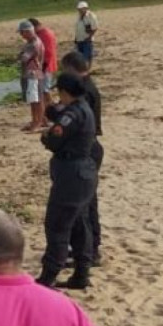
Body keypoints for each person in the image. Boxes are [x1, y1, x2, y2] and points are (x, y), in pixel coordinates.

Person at [37, 73, 99, 289]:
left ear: (64, 91)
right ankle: (82, 273)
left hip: (72, 174)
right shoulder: (83, 108)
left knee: (57, 224)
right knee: (80, 224)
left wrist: (46, 136)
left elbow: (53, 139)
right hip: (83, 173)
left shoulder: (72, 114)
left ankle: (48, 276)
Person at [61, 50, 104, 265]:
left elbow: (74, 122)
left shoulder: (84, 91)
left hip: (86, 150)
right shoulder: (87, 85)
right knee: (85, 202)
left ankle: (89, 251)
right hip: (89, 148)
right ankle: (85, 248)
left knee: (84, 204)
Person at [17, 21, 46, 132]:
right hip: (33, 73)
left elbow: (23, 58)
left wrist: (20, 55)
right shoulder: (32, 42)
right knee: (35, 98)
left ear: (28, 31)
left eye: (22, 32)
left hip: (33, 74)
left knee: (36, 100)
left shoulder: (33, 44)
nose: (21, 35)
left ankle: (37, 121)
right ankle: (36, 120)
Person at [30, 17, 59, 93]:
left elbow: (48, 52)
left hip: (46, 66)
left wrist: (43, 67)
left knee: (45, 90)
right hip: (43, 65)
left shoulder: (45, 34)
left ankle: (49, 104)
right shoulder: (41, 34)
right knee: (41, 88)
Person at [75, 1, 99, 66]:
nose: (79, 10)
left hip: (87, 39)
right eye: (79, 9)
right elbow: (77, 28)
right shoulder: (79, 16)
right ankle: (85, 68)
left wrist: (89, 37)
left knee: (87, 55)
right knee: (81, 56)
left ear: (86, 8)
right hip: (79, 39)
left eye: (81, 9)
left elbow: (95, 28)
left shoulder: (91, 16)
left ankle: (88, 68)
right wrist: (76, 38)